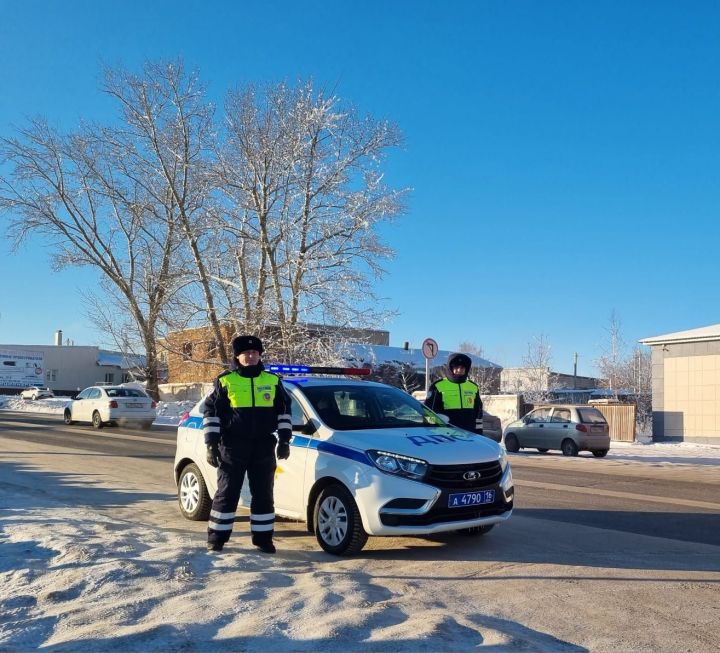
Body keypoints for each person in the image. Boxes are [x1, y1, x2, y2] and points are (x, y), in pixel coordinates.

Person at [203, 334, 292, 554]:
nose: (250, 356)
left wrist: (284, 441)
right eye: (246, 353)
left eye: (254, 353)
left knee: (263, 493)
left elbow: (284, 412)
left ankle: (263, 540)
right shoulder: (226, 380)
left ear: (259, 355)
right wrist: (211, 444)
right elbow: (212, 414)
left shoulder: (272, 381)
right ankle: (217, 539)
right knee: (227, 492)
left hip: (263, 445)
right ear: (237, 356)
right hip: (233, 445)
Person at [424, 352, 482, 433]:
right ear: (450, 368)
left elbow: (478, 411)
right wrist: (431, 431)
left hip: (469, 433)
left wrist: (479, 431)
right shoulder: (438, 386)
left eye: (462, 368)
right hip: (446, 434)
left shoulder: (473, 387)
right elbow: (428, 411)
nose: (459, 370)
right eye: (456, 367)